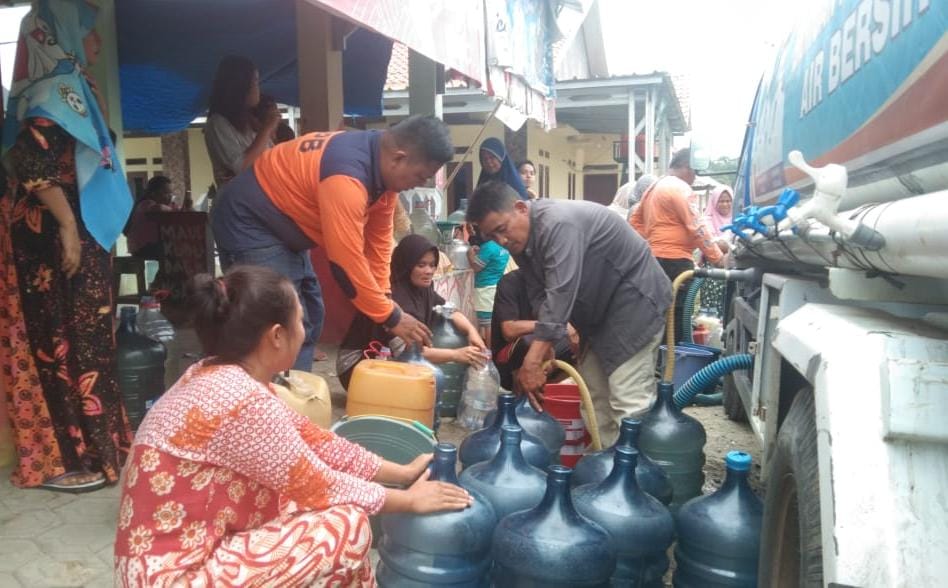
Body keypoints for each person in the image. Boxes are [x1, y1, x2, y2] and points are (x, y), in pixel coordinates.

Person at [113, 266, 471, 586]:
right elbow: (320, 484)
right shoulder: (239, 399)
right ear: (276, 336)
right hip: (175, 576)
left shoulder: (216, 375)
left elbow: (317, 442)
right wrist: (408, 501)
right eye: (300, 320)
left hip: (168, 561)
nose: (307, 330)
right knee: (346, 523)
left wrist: (404, 471)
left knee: (301, 503)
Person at [0, 1, 134, 492]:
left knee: (93, 339)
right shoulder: (47, 96)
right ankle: (75, 454)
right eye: (87, 33)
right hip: (54, 240)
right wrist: (67, 227)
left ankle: (104, 446)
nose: (95, 42)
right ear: (54, 38)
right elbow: (33, 161)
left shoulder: (74, 90)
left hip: (73, 235)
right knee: (67, 340)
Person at [210, 115, 453, 372]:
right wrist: (392, 317)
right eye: (421, 175)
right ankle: (264, 399)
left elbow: (378, 246)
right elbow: (345, 265)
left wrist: (385, 299)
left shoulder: (383, 178)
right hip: (249, 220)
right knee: (276, 323)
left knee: (310, 315)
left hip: (286, 226)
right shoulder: (347, 178)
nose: (422, 184)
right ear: (399, 158)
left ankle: (296, 393)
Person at [467, 181, 671, 447]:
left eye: (502, 230)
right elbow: (539, 292)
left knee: (628, 399)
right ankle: (604, 469)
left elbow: (561, 292)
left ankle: (634, 480)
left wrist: (533, 359)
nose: (502, 242)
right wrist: (547, 346)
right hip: (597, 313)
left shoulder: (557, 223)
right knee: (594, 398)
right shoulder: (524, 241)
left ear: (520, 208)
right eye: (492, 238)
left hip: (634, 301)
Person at [630, 148, 726, 341]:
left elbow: (635, 222)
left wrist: (650, 245)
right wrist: (718, 259)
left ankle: (661, 364)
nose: (694, 178)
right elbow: (697, 226)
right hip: (676, 262)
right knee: (677, 317)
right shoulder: (680, 188)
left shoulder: (653, 188)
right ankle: (674, 365)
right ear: (687, 168)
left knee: (659, 316)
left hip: (654, 261)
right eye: (695, 172)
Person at [389, 235, 487, 365]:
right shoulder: (396, 297)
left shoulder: (423, 290)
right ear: (406, 265)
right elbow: (408, 351)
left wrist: (471, 331)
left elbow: (450, 310)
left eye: (432, 265)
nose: (429, 271)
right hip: (385, 362)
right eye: (421, 265)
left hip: (411, 359)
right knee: (437, 377)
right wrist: (455, 355)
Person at [490, 269, 577, 391]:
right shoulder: (511, 281)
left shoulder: (558, 284)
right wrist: (551, 326)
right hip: (510, 357)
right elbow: (509, 330)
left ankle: (553, 392)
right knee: (528, 342)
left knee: (580, 342)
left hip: (546, 346)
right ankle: (520, 399)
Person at [203, 55, 280, 188]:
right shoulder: (218, 124)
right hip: (239, 205)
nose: (258, 89)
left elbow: (271, 160)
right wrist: (266, 128)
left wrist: (269, 130)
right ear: (241, 86)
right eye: (255, 82)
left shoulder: (250, 123)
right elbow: (241, 167)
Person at [466, 227, 510, 345]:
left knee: (486, 323)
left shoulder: (489, 247)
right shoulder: (503, 247)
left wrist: (469, 255)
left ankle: (488, 352)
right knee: (489, 321)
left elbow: (476, 267)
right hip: (495, 285)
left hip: (485, 288)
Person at [125, 176, 174, 260]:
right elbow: (158, 208)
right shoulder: (145, 204)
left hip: (150, 246)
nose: (170, 196)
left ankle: (164, 273)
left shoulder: (163, 206)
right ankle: (165, 273)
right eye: (166, 193)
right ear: (153, 193)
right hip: (141, 248)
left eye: (171, 193)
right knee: (175, 251)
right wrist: (173, 210)